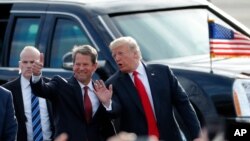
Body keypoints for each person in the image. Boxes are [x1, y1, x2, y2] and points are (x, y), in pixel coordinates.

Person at [94, 36, 203, 141]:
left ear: (135, 54)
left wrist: (197, 135)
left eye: (120, 53)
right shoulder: (113, 83)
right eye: (114, 55)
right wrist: (107, 103)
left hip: (170, 137)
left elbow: (183, 104)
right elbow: (115, 112)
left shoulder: (163, 73)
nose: (117, 58)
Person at [30, 45, 115, 141]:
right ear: (73, 65)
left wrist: (107, 104)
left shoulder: (100, 90)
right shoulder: (61, 85)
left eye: (85, 64)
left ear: (94, 66)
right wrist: (36, 76)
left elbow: (110, 121)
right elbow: (42, 89)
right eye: (78, 64)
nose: (81, 68)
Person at [2, 46, 54, 141]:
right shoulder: (7, 90)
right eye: (25, 62)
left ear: (41, 64)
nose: (29, 65)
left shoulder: (51, 86)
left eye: (33, 62)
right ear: (19, 65)